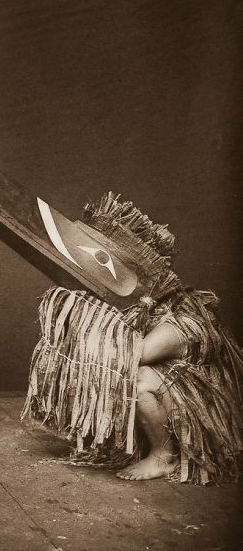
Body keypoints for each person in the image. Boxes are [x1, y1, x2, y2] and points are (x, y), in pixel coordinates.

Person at [25, 193, 243, 484]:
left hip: (206, 419)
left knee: (138, 379)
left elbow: (134, 355)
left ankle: (163, 456)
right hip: (173, 396)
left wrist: (88, 311)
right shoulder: (150, 311)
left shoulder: (183, 321)